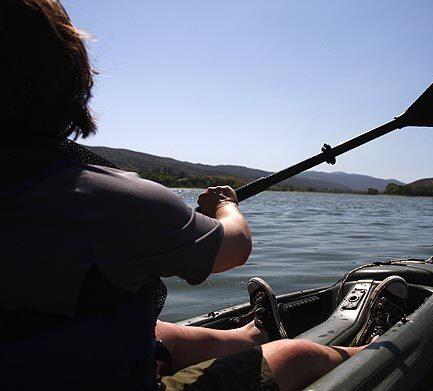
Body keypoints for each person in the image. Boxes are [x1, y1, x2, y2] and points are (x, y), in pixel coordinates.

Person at [0, 1, 408, 390]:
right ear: (66, 75)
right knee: (295, 356)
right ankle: (372, 349)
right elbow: (235, 247)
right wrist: (225, 206)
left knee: (157, 331)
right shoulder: (103, 201)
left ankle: (253, 334)